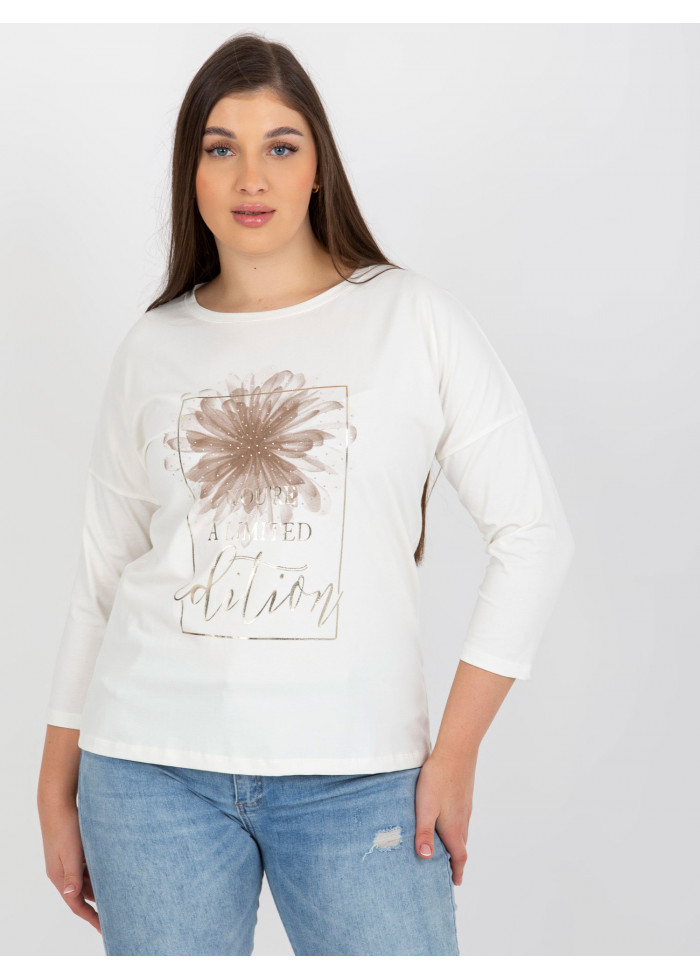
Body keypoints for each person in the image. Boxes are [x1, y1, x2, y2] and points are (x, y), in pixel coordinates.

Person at [36, 32, 575, 956]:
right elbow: (103, 574)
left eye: (280, 147)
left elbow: (534, 535)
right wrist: (56, 780)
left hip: (360, 779)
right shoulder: (152, 346)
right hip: (149, 776)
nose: (251, 177)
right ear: (191, 172)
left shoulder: (411, 317)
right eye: (222, 148)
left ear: (318, 167)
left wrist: (456, 752)